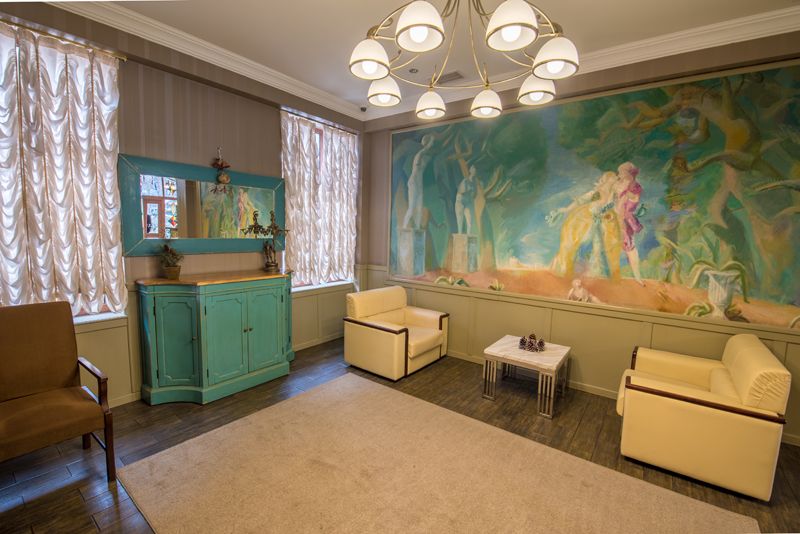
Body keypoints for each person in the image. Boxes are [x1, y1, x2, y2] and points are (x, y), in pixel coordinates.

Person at [548, 171, 622, 280]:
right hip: (587, 220)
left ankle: (597, 272)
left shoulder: (613, 195)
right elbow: (580, 201)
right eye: (614, 178)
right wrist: (566, 209)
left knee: (599, 245)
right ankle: (566, 269)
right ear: (608, 179)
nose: (616, 180)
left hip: (603, 222)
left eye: (615, 179)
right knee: (576, 243)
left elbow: (612, 208)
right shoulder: (596, 192)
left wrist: (610, 214)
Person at [613, 161, 645, 285]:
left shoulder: (635, 188)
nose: (618, 175)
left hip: (625, 220)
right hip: (614, 216)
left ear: (628, 174)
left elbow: (629, 204)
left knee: (629, 247)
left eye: (621, 172)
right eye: (619, 172)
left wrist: (624, 194)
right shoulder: (617, 184)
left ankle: (637, 276)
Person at [402, 134, 434, 229]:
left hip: (419, 183)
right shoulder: (419, 155)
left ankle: (417, 228)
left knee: (419, 208)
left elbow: (430, 154)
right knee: (412, 207)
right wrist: (430, 140)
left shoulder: (426, 156)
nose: (432, 144)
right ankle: (404, 227)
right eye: (431, 143)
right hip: (413, 182)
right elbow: (425, 150)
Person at [455, 165, 478, 235]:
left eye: (475, 169)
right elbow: (461, 191)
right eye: (473, 169)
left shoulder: (475, 182)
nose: (474, 171)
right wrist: (469, 190)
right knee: (460, 221)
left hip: (468, 202)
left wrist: (472, 194)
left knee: (470, 220)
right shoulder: (465, 180)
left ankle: (469, 236)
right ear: (470, 171)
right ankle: (460, 235)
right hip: (460, 201)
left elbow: (475, 194)